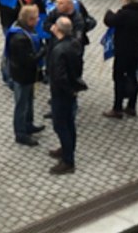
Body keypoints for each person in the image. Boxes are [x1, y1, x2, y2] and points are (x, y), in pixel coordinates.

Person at [103, 0, 138, 119]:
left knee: (118, 77)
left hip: (123, 50)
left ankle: (117, 108)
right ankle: (131, 106)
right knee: (132, 76)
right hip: (136, 49)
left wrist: (108, 12)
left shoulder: (124, 14)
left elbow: (109, 20)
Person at [47, 17, 84, 174]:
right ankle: (67, 149)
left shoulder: (59, 50)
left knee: (61, 125)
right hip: (71, 90)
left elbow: (59, 76)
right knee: (69, 123)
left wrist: (68, 90)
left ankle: (68, 161)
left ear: (59, 29)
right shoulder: (75, 44)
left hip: (61, 93)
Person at [5, 5, 43, 145]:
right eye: (37, 18)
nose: (39, 20)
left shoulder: (25, 30)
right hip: (22, 76)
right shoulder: (19, 38)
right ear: (30, 20)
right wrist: (42, 52)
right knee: (21, 104)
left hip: (27, 75)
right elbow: (29, 60)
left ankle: (29, 124)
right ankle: (20, 133)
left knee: (29, 101)